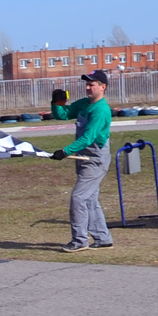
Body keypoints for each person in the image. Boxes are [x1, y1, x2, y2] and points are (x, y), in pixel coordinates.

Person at [49, 69, 115, 252]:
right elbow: (63, 114)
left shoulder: (101, 110)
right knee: (89, 199)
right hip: (83, 158)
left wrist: (65, 151)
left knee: (78, 198)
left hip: (95, 160)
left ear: (102, 87)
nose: (87, 88)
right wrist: (57, 103)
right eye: (86, 84)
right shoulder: (85, 104)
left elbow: (88, 138)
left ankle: (79, 241)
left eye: (91, 85)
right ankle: (103, 238)